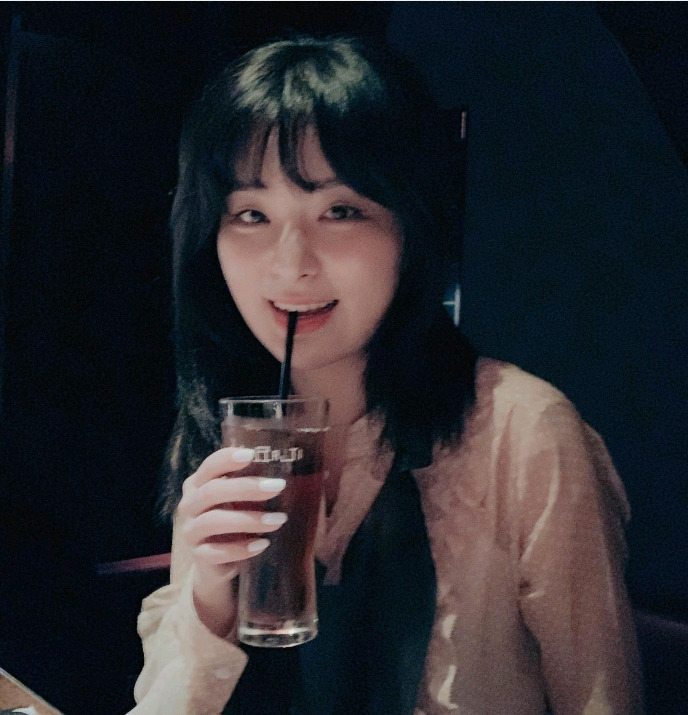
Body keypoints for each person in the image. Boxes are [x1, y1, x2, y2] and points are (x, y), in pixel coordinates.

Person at [129, 35, 642, 714]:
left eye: (340, 211)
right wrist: (210, 597)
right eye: (251, 214)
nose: (290, 264)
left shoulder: (524, 432)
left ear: (412, 225)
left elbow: (603, 698)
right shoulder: (237, 431)